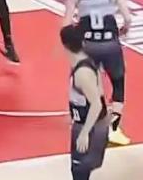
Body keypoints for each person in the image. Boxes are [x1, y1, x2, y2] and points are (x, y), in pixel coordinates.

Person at [64, 0, 133, 147]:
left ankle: (90, 120)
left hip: (87, 45)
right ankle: (114, 129)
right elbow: (128, 18)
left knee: (90, 83)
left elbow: (67, 24)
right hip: (110, 44)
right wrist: (123, 30)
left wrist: (72, 44)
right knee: (118, 83)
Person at [60, 24, 109, 180]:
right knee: (80, 170)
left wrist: (85, 132)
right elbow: (100, 92)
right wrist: (73, 112)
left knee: (79, 171)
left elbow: (97, 104)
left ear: (65, 45)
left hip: (91, 125)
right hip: (89, 122)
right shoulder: (84, 62)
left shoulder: (82, 73)